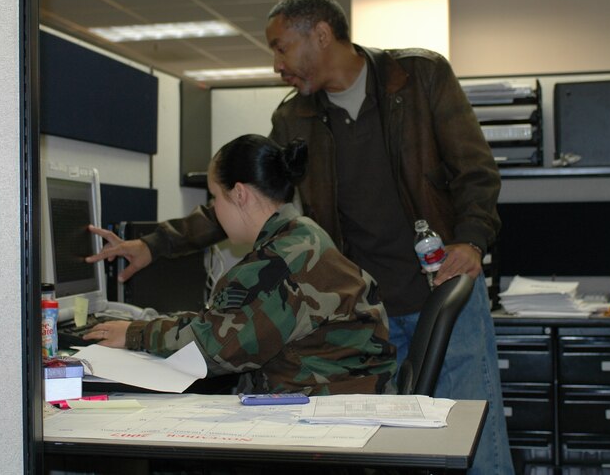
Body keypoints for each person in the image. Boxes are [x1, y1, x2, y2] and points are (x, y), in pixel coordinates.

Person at [89, 0, 513, 473]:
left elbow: (476, 171)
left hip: (438, 286)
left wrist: (471, 239)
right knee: (401, 456)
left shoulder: (417, 78)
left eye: (280, 46)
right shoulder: (296, 116)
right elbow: (247, 189)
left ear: (322, 34)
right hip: (367, 308)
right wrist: (154, 243)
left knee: (476, 445)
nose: (276, 64)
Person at [83, 134, 397, 396]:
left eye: (215, 197)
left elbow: (217, 346)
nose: (214, 210)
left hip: (322, 414)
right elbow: (231, 323)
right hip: (338, 395)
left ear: (240, 194)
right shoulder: (300, 235)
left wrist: (137, 334)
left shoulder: (281, 261)